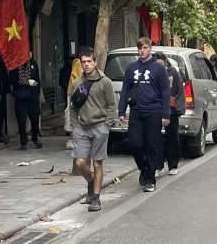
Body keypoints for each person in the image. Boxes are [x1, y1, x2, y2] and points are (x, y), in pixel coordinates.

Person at [118, 37, 170, 193]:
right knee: (135, 143)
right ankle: (143, 167)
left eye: (145, 48)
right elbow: (125, 90)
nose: (142, 51)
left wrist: (165, 114)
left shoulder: (159, 68)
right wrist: (121, 111)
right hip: (136, 110)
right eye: (140, 48)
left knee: (151, 145)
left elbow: (165, 92)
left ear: (150, 49)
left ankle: (150, 179)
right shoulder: (131, 67)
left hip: (154, 111)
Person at [69, 47, 117, 212]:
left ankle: (95, 197)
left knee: (97, 163)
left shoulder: (105, 82)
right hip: (81, 128)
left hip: (99, 127)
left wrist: (106, 126)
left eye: (89, 61)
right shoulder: (77, 83)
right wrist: (74, 127)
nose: (87, 64)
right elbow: (73, 107)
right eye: (84, 62)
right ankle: (91, 182)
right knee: (80, 163)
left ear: (95, 62)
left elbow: (112, 106)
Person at [154, 52, 185, 176]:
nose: (159, 66)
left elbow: (180, 91)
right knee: (156, 139)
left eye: (161, 63)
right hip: (156, 109)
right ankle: (158, 165)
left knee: (172, 137)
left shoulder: (173, 73)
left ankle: (173, 165)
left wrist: (179, 108)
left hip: (171, 110)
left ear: (165, 62)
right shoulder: (152, 73)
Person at [10, 53, 42, 150]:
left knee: (35, 118)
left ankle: (35, 137)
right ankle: (23, 141)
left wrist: (36, 91)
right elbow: (12, 80)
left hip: (32, 96)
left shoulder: (33, 64)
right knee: (21, 120)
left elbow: (37, 78)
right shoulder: (15, 65)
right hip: (21, 95)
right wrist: (26, 82)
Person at [64, 54, 83, 150]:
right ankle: (71, 139)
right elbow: (78, 78)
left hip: (79, 92)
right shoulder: (78, 63)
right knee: (73, 115)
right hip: (77, 92)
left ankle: (73, 139)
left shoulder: (78, 63)